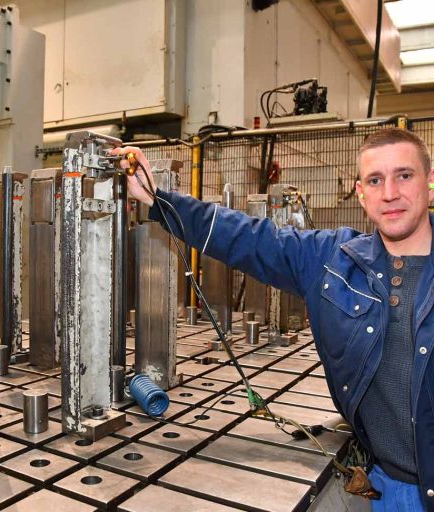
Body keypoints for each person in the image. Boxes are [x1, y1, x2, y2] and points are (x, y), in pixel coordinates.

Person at [111, 127, 434, 512]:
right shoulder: (336, 260)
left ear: (429, 183)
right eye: (375, 180)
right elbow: (249, 239)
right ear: (361, 192)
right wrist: (156, 200)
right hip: (384, 484)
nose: (390, 193)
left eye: (404, 175)